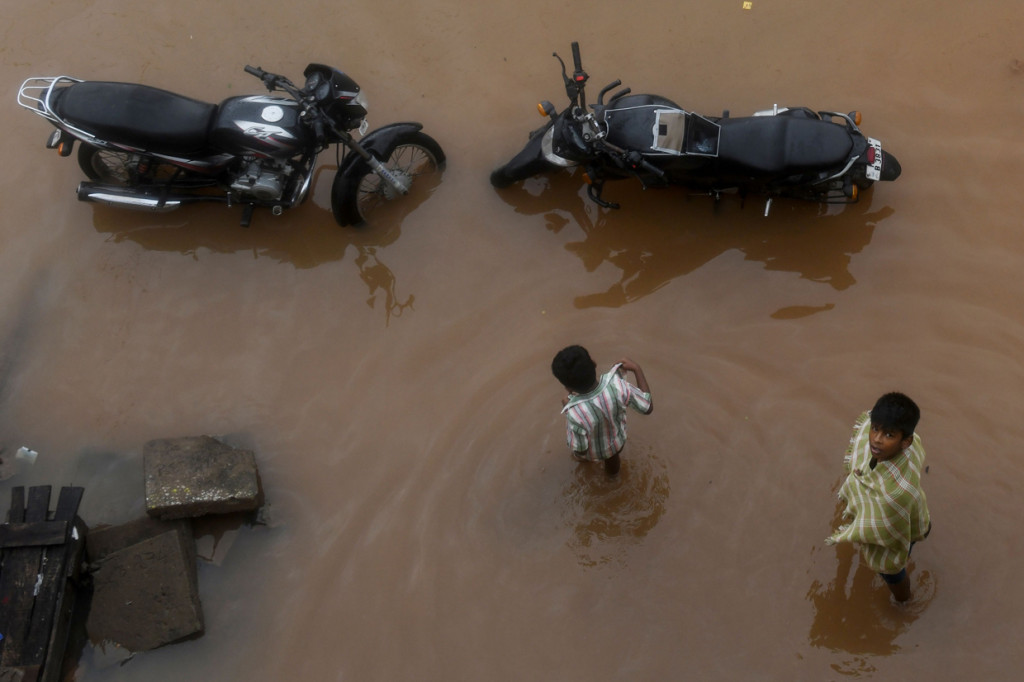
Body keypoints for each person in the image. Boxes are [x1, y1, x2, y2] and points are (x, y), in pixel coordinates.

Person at [827, 392, 931, 602]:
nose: (876, 439)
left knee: (891, 570)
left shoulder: (894, 494)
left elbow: (885, 532)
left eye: (889, 435)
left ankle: (904, 602)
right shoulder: (911, 447)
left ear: (905, 442)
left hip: (903, 524)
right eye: (875, 428)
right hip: (917, 516)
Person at [551, 345, 653, 477]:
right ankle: (613, 478)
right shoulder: (617, 385)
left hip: (594, 452)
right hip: (617, 442)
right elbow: (647, 407)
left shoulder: (574, 413)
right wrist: (636, 369)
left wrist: (570, 408)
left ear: (567, 387)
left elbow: (580, 449)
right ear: (593, 363)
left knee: (579, 456)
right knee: (612, 461)